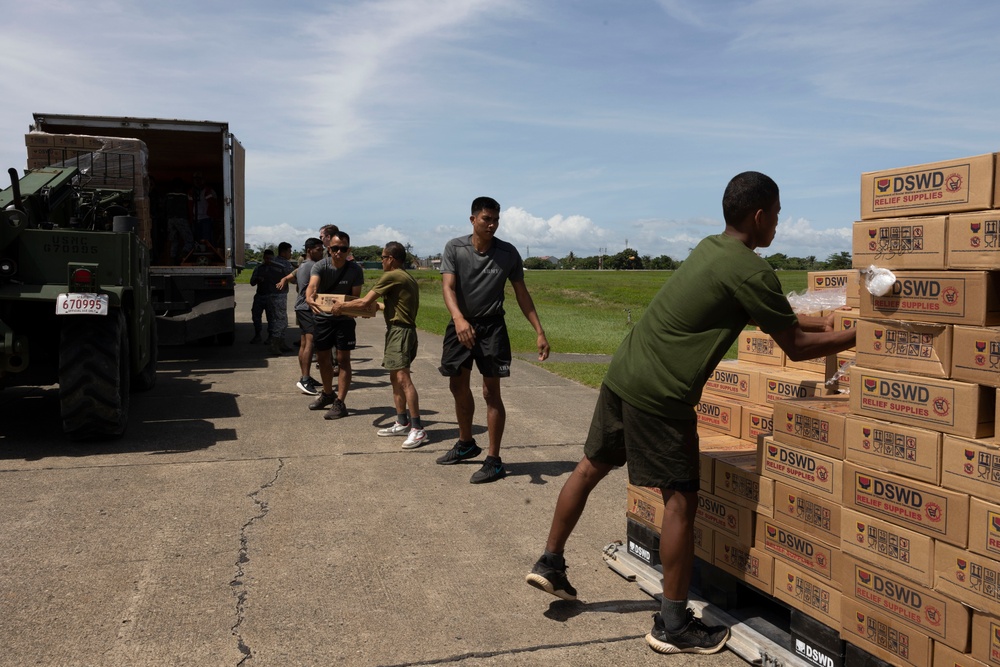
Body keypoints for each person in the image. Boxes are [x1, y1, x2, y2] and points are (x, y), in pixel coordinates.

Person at [524, 172, 857, 655]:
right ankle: (673, 623)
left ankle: (550, 561)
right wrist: (859, 336)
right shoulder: (752, 269)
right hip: (662, 394)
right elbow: (796, 346)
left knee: (591, 466)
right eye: (779, 214)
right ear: (760, 216)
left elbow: (760, 312)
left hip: (625, 372)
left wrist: (821, 319)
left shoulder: (711, 249)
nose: (780, 224)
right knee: (680, 499)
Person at [437, 196, 549, 484]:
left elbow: (521, 294)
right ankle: (466, 444)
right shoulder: (455, 247)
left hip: (492, 328)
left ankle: (494, 460)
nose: (492, 224)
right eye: (487, 219)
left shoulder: (508, 253)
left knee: (491, 393)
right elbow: (448, 287)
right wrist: (459, 319)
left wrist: (539, 331)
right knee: (457, 384)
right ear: (473, 219)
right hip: (460, 324)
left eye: (496, 219)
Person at [327, 242, 427, 449]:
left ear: (390, 259)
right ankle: (402, 421)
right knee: (395, 378)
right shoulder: (405, 276)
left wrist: (342, 306)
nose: (381, 261)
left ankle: (417, 428)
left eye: (382, 257)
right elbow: (383, 305)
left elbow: (364, 301)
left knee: (403, 378)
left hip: (400, 332)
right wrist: (366, 309)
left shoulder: (391, 275)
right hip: (400, 331)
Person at [304, 231, 364, 419]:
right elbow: (312, 286)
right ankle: (328, 394)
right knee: (323, 358)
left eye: (343, 249)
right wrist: (309, 297)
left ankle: (340, 402)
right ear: (329, 249)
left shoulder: (355, 270)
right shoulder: (320, 266)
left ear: (349, 250)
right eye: (335, 248)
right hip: (322, 318)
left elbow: (355, 298)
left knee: (343, 359)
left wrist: (348, 308)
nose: (339, 252)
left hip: (344, 320)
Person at [278, 238, 325, 395]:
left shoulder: (303, 265)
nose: (322, 251)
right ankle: (305, 379)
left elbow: (293, 276)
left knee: (305, 342)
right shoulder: (313, 266)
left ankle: (306, 377)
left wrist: (285, 278)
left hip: (302, 307)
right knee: (310, 342)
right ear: (310, 250)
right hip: (307, 307)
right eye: (319, 249)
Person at [268, 242, 294, 355]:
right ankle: (274, 345)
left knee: (277, 319)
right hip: (280, 295)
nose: (290, 254)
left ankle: (281, 343)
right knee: (281, 321)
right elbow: (293, 279)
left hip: (269, 293)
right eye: (289, 251)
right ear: (284, 252)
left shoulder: (272, 262)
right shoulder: (285, 264)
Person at [249, 249, 279, 344]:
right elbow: (252, 282)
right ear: (263, 258)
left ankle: (270, 337)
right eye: (267, 258)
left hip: (271, 296)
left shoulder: (277, 269)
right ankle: (257, 335)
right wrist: (258, 279)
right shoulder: (258, 268)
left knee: (271, 318)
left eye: (271, 258)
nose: (268, 260)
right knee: (256, 317)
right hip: (260, 296)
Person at [165, 178, 193, 265]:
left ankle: (173, 259)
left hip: (170, 220)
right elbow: (189, 208)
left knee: (174, 240)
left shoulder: (168, 195)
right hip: (181, 219)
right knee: (189, 240)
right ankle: (183, 257)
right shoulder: (184, 196)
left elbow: (164, 208)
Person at [189, 172, 220, 248]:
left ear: (203, 180)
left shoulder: (209, 191)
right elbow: (189, 205)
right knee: (196, 238)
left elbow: (214, 204)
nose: (197, 181)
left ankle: (209, 253)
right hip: (195, 219)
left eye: (199, 179)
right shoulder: (191, 192)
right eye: (195, 179)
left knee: (207, 238)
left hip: (207, 218)